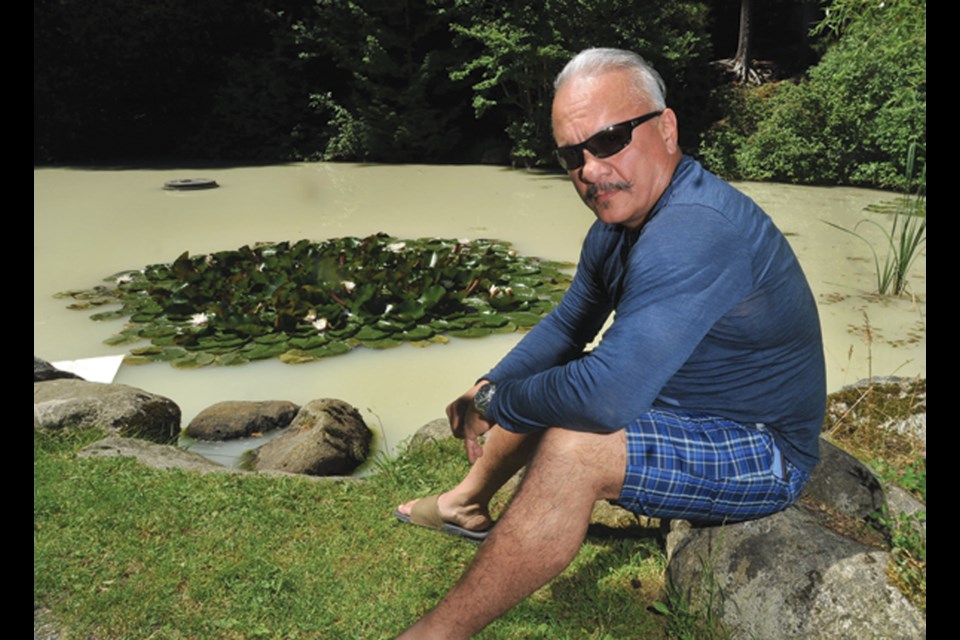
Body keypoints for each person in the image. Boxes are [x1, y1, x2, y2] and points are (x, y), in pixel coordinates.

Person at [394, 47, 826, 639]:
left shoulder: (695, 227)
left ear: (666, 128)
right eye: (572, 155)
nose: (591, 170)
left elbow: (605, 399)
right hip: (679, 407)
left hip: (760, 448)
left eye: (609, 140)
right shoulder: (618, 225)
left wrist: (499, 403)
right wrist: (490, 384)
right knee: (550, 384)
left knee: (576, 442)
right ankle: (466, 502)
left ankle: (433, 635)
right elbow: (569, 324)